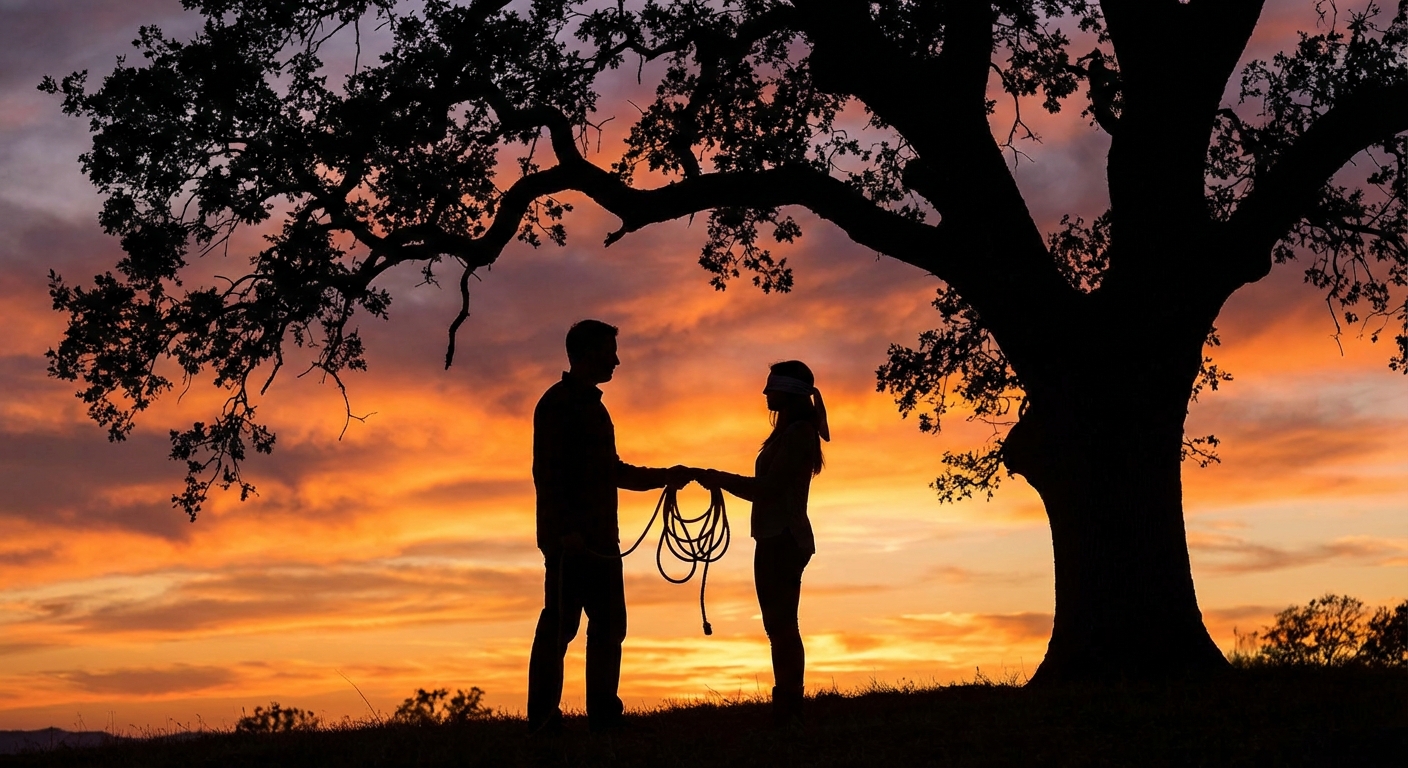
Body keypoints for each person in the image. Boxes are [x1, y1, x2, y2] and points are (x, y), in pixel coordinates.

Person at [526, 319, 692, 736]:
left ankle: (601, 714)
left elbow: (609, 470)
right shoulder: (559, 404)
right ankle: (543, 717)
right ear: (586, 354)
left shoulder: (592, 407)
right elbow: (548, 474)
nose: (616, 360)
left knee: (608, 624)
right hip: (572, 541)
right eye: (609, 351)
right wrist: (565, 531)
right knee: (561, 626)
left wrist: (662, 477)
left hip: (600, 539)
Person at [699, 360, 828, 727]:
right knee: (780, 625)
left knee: (782, 626)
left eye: (771, 387)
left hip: (782, 539)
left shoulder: (797, 434)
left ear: (787, 391)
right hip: (779, 537)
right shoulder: (793, 432)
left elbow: (769, 489)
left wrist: (718, 478)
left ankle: (789, 707)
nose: (765, 393)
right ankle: (787, 705)